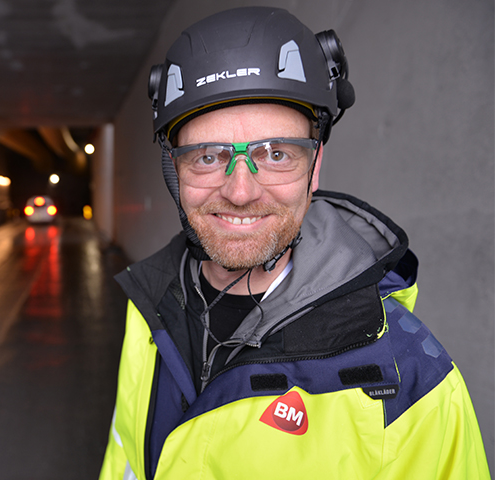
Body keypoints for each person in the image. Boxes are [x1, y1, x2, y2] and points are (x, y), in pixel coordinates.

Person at [98, 7, 490, 479]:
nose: (240, 191)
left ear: (315, 165)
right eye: (207, 156)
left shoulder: (410, 381)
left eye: (276, 153)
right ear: (175, 172)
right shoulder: (150, 306)